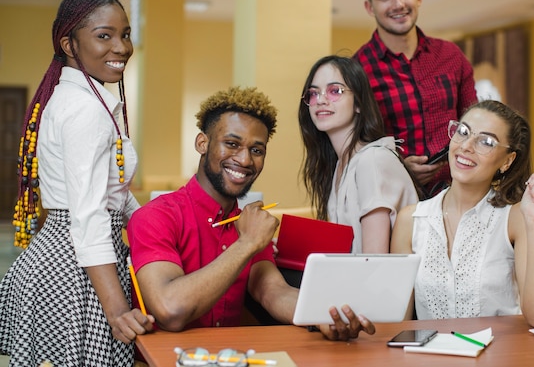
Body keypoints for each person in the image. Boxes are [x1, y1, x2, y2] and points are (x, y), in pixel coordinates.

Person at [126, 87, 376, 341]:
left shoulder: (249, 223)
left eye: (257, 150)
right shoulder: (156, 216)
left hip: (233, 357)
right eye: (232, 144)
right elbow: (171, 310)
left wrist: (326, 314)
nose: (245, 160)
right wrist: (247, 243)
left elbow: (272, 292)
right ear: (202, 143)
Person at [0, 0, 154, 366]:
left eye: (125, 34)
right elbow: (88, 214)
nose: (121, 47)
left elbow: (112, 191)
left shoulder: (84, 100)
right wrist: (117, 311)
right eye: (104, 36)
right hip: (76, 268)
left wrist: (156, 220)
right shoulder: (84, 110)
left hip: (71, 256)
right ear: (69, 43)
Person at [390, 100, 534, 328]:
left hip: (500, 357)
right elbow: (396, 320)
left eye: (486, 142)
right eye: (463, 131)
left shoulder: (516, 217)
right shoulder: (410, 220)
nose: (466, 146)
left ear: (507, 161)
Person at [353, 0, 478, 198]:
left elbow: (475, 123)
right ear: (370, 7)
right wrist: (398, 167)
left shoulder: (451, 57)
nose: (398, 4)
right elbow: (352, 148)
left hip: (459, 198)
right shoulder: (356, 71)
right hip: (393, 203)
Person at [298, 55, 419, 253]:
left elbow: (374, 261)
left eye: (335, 91)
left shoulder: (372, 161)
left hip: (385, 282)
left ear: (358, 103)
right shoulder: (340, 165)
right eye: (313, 93)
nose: (320, 100)